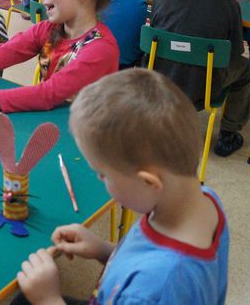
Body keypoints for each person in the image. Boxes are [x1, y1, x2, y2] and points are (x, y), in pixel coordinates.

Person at [15, 69, 229, 304]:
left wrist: (49, 299)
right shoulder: (204, 200)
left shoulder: (155, 288)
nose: (98, 180)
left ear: (148, 181)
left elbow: (153, 278)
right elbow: (145, 254)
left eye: (103, 174)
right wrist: (104, 250)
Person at [150, 0, 250, 157]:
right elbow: (234, 52)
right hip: (206, 86)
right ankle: (229, 132)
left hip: (161, 81)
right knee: (245, 70)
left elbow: (156, 35)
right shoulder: (229, 3)